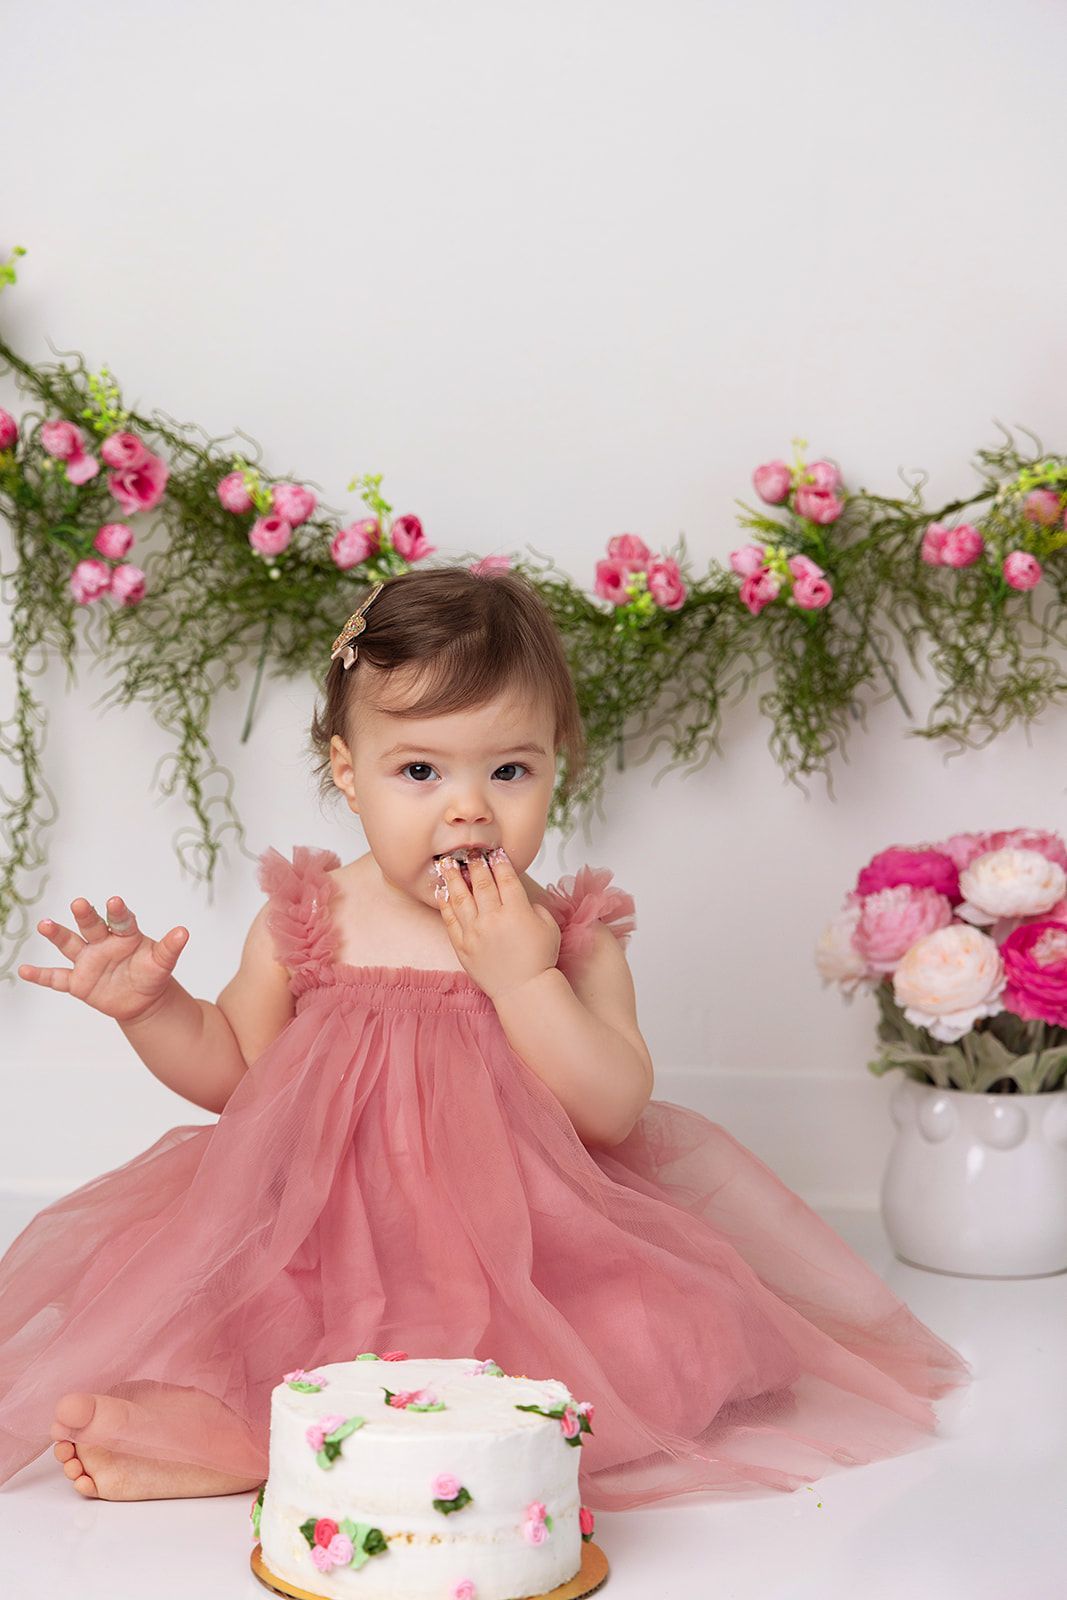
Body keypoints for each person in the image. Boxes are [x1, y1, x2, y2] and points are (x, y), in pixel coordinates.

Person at [4, 566, 968, 1507]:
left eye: (509, 770)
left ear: (557, 766)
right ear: (348, 773)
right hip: (319, 1243)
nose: (468, 808)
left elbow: (611, 1107)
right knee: (224, 1325)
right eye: (419, 771)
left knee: (660, 1341)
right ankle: (243, 1438)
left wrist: (521, 977)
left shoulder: (569, 938)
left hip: (531, 1260)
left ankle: (323, 1448)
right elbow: (237, 1078)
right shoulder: (311, 917)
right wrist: (153, 1010)